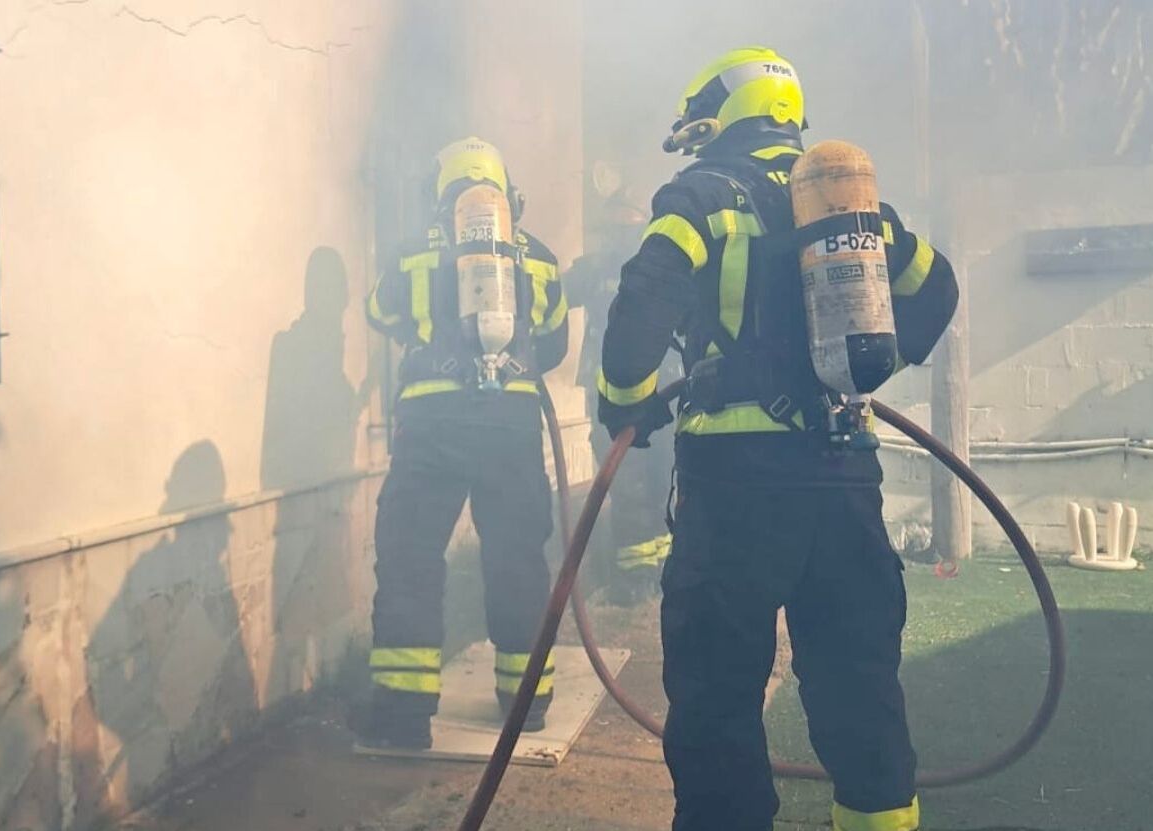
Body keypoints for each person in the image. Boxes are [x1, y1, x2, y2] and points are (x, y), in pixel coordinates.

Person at [596, 48, 958, 831]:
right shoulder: (845, 206)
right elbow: (937, 288)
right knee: (858, 680)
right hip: (844, 474)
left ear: (722, 116)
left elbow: (638, 314)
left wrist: (625, 404)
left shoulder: (700, 196)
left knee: (718, 691)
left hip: (737, 487)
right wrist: (871, 367)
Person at [362, 137, 569, 749]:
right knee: (516, 557)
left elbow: (380, 314)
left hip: (433, 423)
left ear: (440, 189)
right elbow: (554, 344)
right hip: (512, 424)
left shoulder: (410, 252)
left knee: (411, 554)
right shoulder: (537, 256)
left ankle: (402, 714)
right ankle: (527, 702)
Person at [565, 179, 678, 604]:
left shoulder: (648, 267)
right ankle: (644, 574)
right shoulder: (597, 269)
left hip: (647, 391)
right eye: (615, 231)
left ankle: (647, 573)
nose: (618, 239)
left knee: (649, 479)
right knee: (638, 480)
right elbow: (552, 296)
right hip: (637, 391)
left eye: (623, 230)